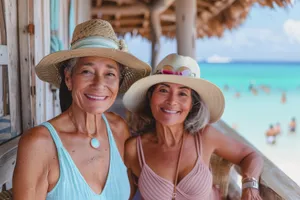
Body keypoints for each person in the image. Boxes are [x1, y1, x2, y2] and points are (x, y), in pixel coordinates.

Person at [12, 19, 151, 200]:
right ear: (69, 78)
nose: (99, 84)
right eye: (87, 71)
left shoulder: (118, 129)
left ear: (118, 82)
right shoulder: (39, 144)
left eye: (109, 74)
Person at [123, 54, 264, 200]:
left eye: (182, 93)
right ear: (150, 96)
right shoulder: (134, 149)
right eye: (163, 90)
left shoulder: (205, 137)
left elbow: (251, 156)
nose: (172, 101)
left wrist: (250, 186)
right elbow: (123, 193)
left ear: (192, 104)